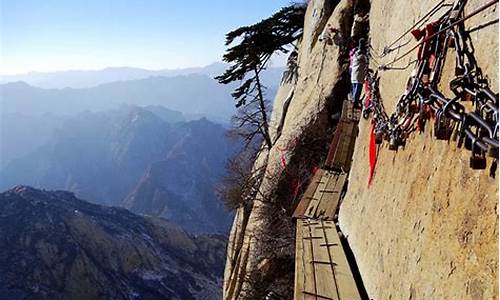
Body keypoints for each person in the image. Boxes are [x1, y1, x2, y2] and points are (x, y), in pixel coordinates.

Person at [350, 39, 368, 108]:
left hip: (353, 75)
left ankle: (353, 103)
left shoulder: (355, 54)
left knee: (354, 91)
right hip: (358, 76)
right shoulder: (362, 56)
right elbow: (366, 62)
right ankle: (355, 105)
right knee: (357, 92)